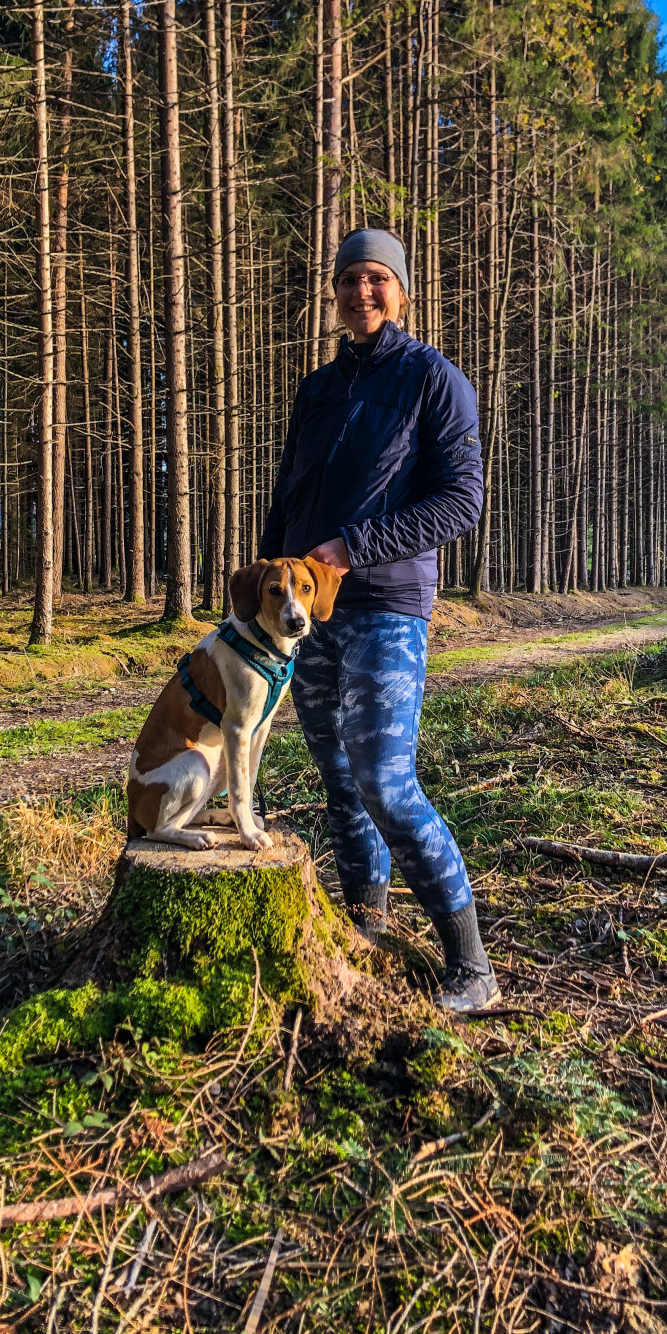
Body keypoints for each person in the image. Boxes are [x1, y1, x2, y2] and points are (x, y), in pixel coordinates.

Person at [259, 227, 499, 1013]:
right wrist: (265, 598)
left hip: (386, 608)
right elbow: (287, 500)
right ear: (334, 291)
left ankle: (471, 965)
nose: (362, 293)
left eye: (377, 280)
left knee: (386, 783)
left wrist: (355, 547)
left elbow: (462, 500)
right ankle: (367, 932)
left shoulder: (435, 380)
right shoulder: (317, 390)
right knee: (338, 784)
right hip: (306, 616)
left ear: (402, 291)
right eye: (349, 280)